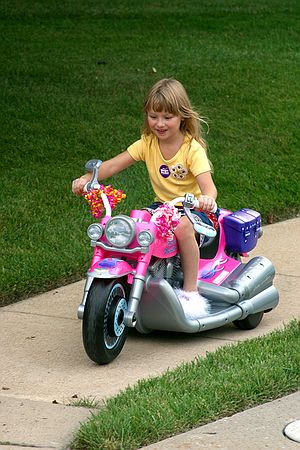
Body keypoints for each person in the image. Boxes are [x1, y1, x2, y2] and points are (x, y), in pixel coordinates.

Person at [72, 78, 217, 317]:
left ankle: (191, 291)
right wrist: (88, 178)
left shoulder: (192, 149)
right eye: (153, 116)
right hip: (163, 206)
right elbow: (112, 166)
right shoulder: (147, 144)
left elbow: (209, 188)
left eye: (167, 117)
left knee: (182, 228)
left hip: (194, 209)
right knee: (134, 227)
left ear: (182, 116)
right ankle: (133, 279)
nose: (159, 124)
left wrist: (207, 200)